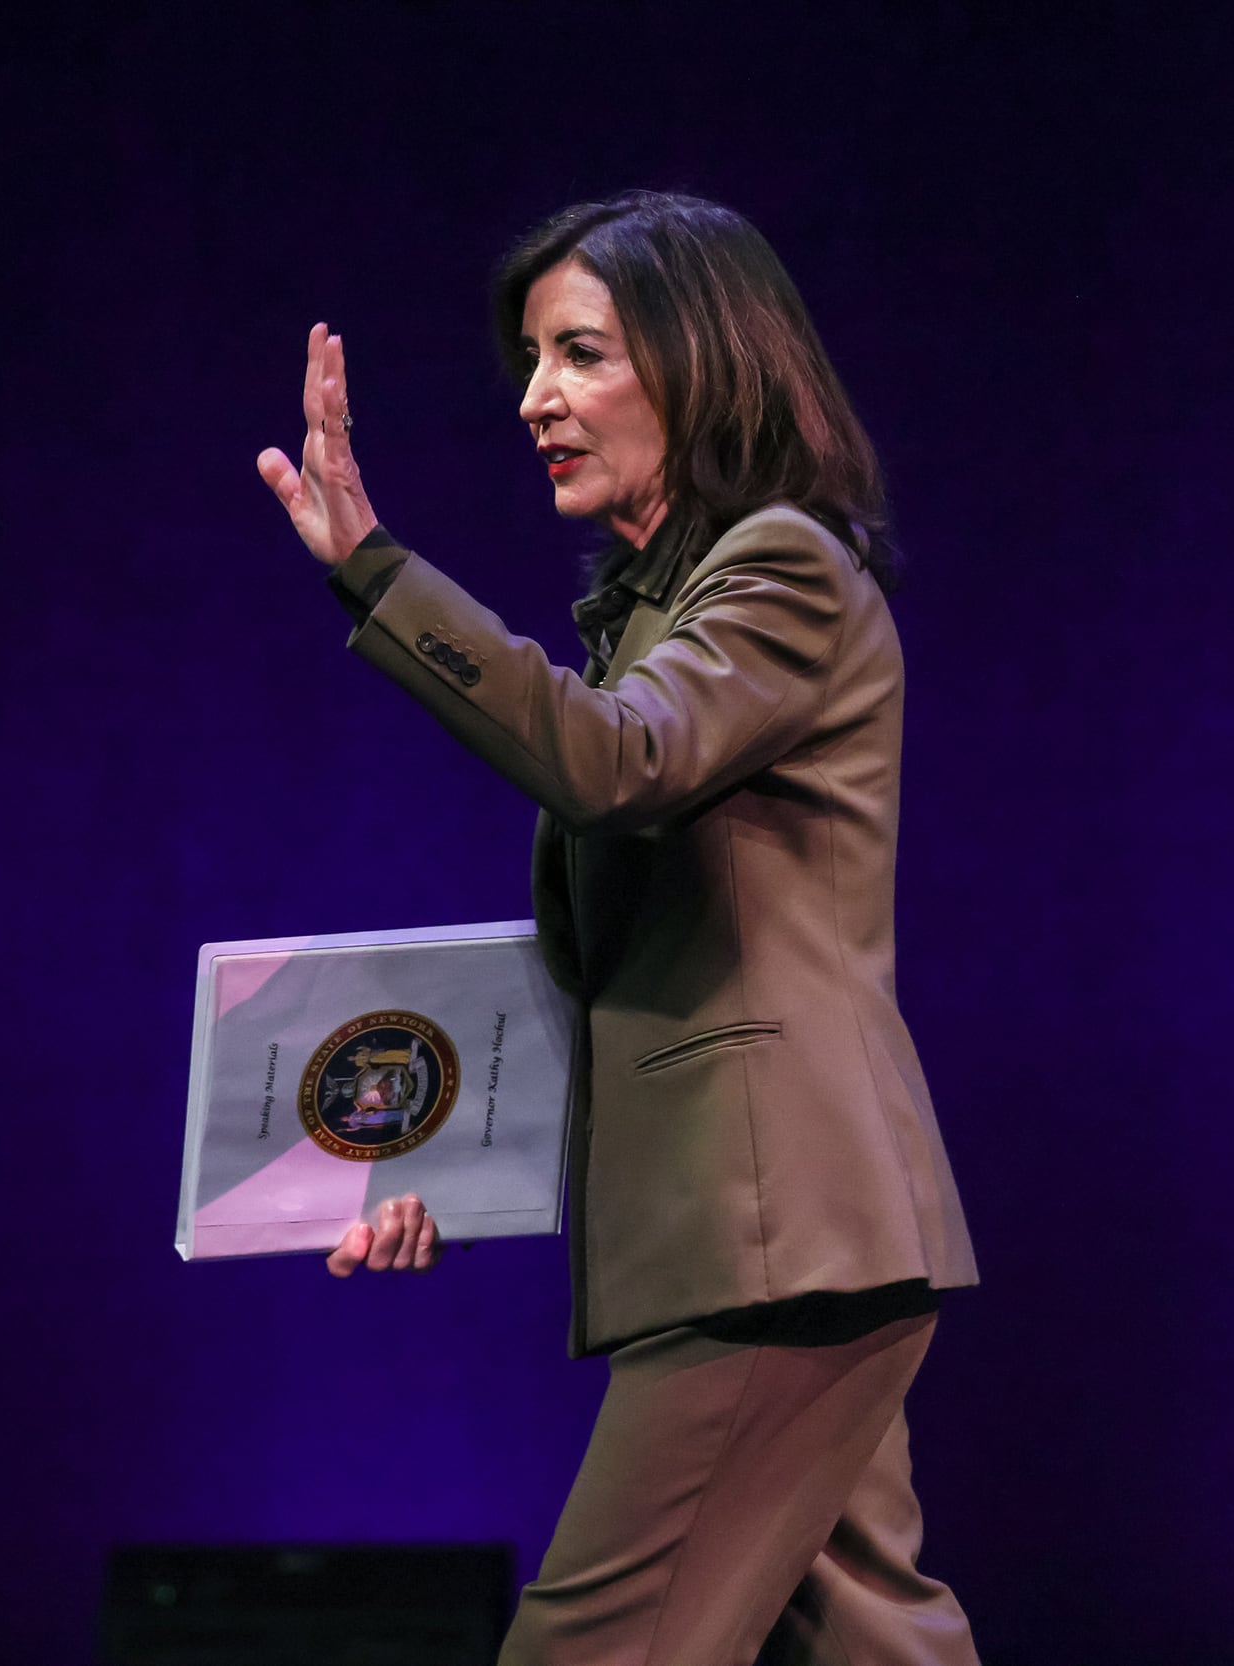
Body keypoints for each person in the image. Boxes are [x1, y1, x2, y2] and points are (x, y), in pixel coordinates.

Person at [255, 191, 982, 1665]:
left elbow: (613, 763)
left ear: (700, 360)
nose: (536, 400)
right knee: (874, 1640)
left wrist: (376, 572)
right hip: (793, 1248)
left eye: (579, 354)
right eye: (531, 361)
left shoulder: (784, 569)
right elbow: (641, 982)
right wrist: (437, 1162)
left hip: (775, 1250)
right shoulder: (657, 618)